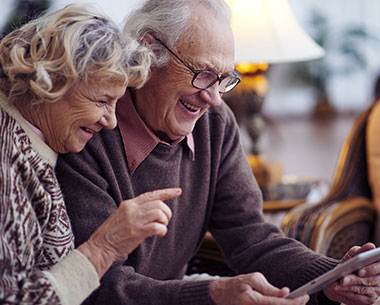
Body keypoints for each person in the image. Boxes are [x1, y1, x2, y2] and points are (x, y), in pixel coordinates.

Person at [56, 1, 380, 305]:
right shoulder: (86, 131)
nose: (212, 97)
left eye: (224, 79)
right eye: (203, 73)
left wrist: (332, 274)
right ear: (149, 51)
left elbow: (252, 239)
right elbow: (97, 286)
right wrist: (210, 295)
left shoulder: (214, 122)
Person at [0, 4, 182, 305]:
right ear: (52, 82)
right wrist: (103, 248)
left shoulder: (39, 141)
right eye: (102, 101)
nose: (110, 120)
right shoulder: (6, 160)